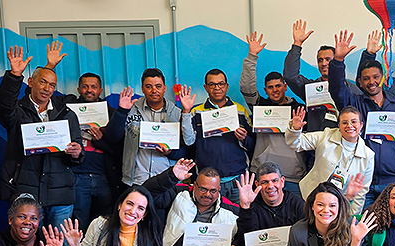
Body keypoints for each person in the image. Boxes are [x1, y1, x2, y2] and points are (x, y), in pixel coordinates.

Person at [0, 45, 84, 228]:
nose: (47, 88)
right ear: (30, 82)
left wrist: (76, 152)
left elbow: (78, 154)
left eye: (52, 85)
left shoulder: (67, 114)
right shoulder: (17, 111)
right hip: (26, 191)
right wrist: (14, 75)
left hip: (60, 196)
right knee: (25, 240)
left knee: (59, 242)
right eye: (42, 82)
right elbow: (3, 105)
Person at [328, 31, 395, 204]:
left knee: (390, 221)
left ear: (382, 78)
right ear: (360, 82)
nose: (371, 82)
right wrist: (338, 61)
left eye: (376, 77)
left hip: (391, 181)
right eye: (366, 79)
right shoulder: (354, 104)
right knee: (360, 220)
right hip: (360, 180)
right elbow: (337, 89)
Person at [56, 71, 127, 233]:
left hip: (104, 177)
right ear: (78, 89)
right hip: (77, 175)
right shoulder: (66, 110)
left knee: (105, 222)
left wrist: (101, 141)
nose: (89, 90)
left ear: (100, 90)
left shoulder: (111, 113)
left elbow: (120, 150)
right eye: (85, 87)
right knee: (79, 222)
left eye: (93, 87)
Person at [239, 32, 307, 193]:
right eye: (270, 87)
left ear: (285, 87)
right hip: (263, 173)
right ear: (265, 90)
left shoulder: (299, 108)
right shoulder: (259, 106)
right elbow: (246, 87)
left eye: (278, 86)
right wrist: (252, 56)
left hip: (293, 176)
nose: (275, 90)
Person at [179, 70, 254, 204]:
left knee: (240, 215)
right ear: (206, 87)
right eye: (212, 84)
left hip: (237, 180)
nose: (217, 88)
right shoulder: (196, 112)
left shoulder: (240, 111)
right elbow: (189, 141)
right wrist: (186, 111)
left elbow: (253, 143)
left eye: (221, 84)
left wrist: (244, 138)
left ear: (226, 86)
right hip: (207, 183)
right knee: (209, 216)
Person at [286, 105, 374, 216]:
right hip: (310, 198)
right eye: (345, 122)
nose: (349, 126)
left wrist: (351, 216)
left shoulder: (368, 155)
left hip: (338, 206)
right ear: (339, 126)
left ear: (361, 125)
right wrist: (295, 129)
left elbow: (361, 192)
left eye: (353, 122)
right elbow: (296, 143)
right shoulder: (326, 136)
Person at [283, 19, 358, 132]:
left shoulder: (351, 89)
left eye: (328, 59)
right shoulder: (311, 88)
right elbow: (290, 76)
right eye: (320, 60)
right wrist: (297, 44)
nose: (323, 63)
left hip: (342, 140)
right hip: (316, 140)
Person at [117, 68, 183, 187]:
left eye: (158, 86)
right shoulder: (131, 110)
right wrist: (121, 111)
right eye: (148, 87)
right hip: (137, 180)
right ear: (142, 89)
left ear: (164, 88)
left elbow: (187, 148)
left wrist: (170, 153)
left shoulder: (177, 113)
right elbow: (113, 137)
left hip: (167, 181)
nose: (154, 90)